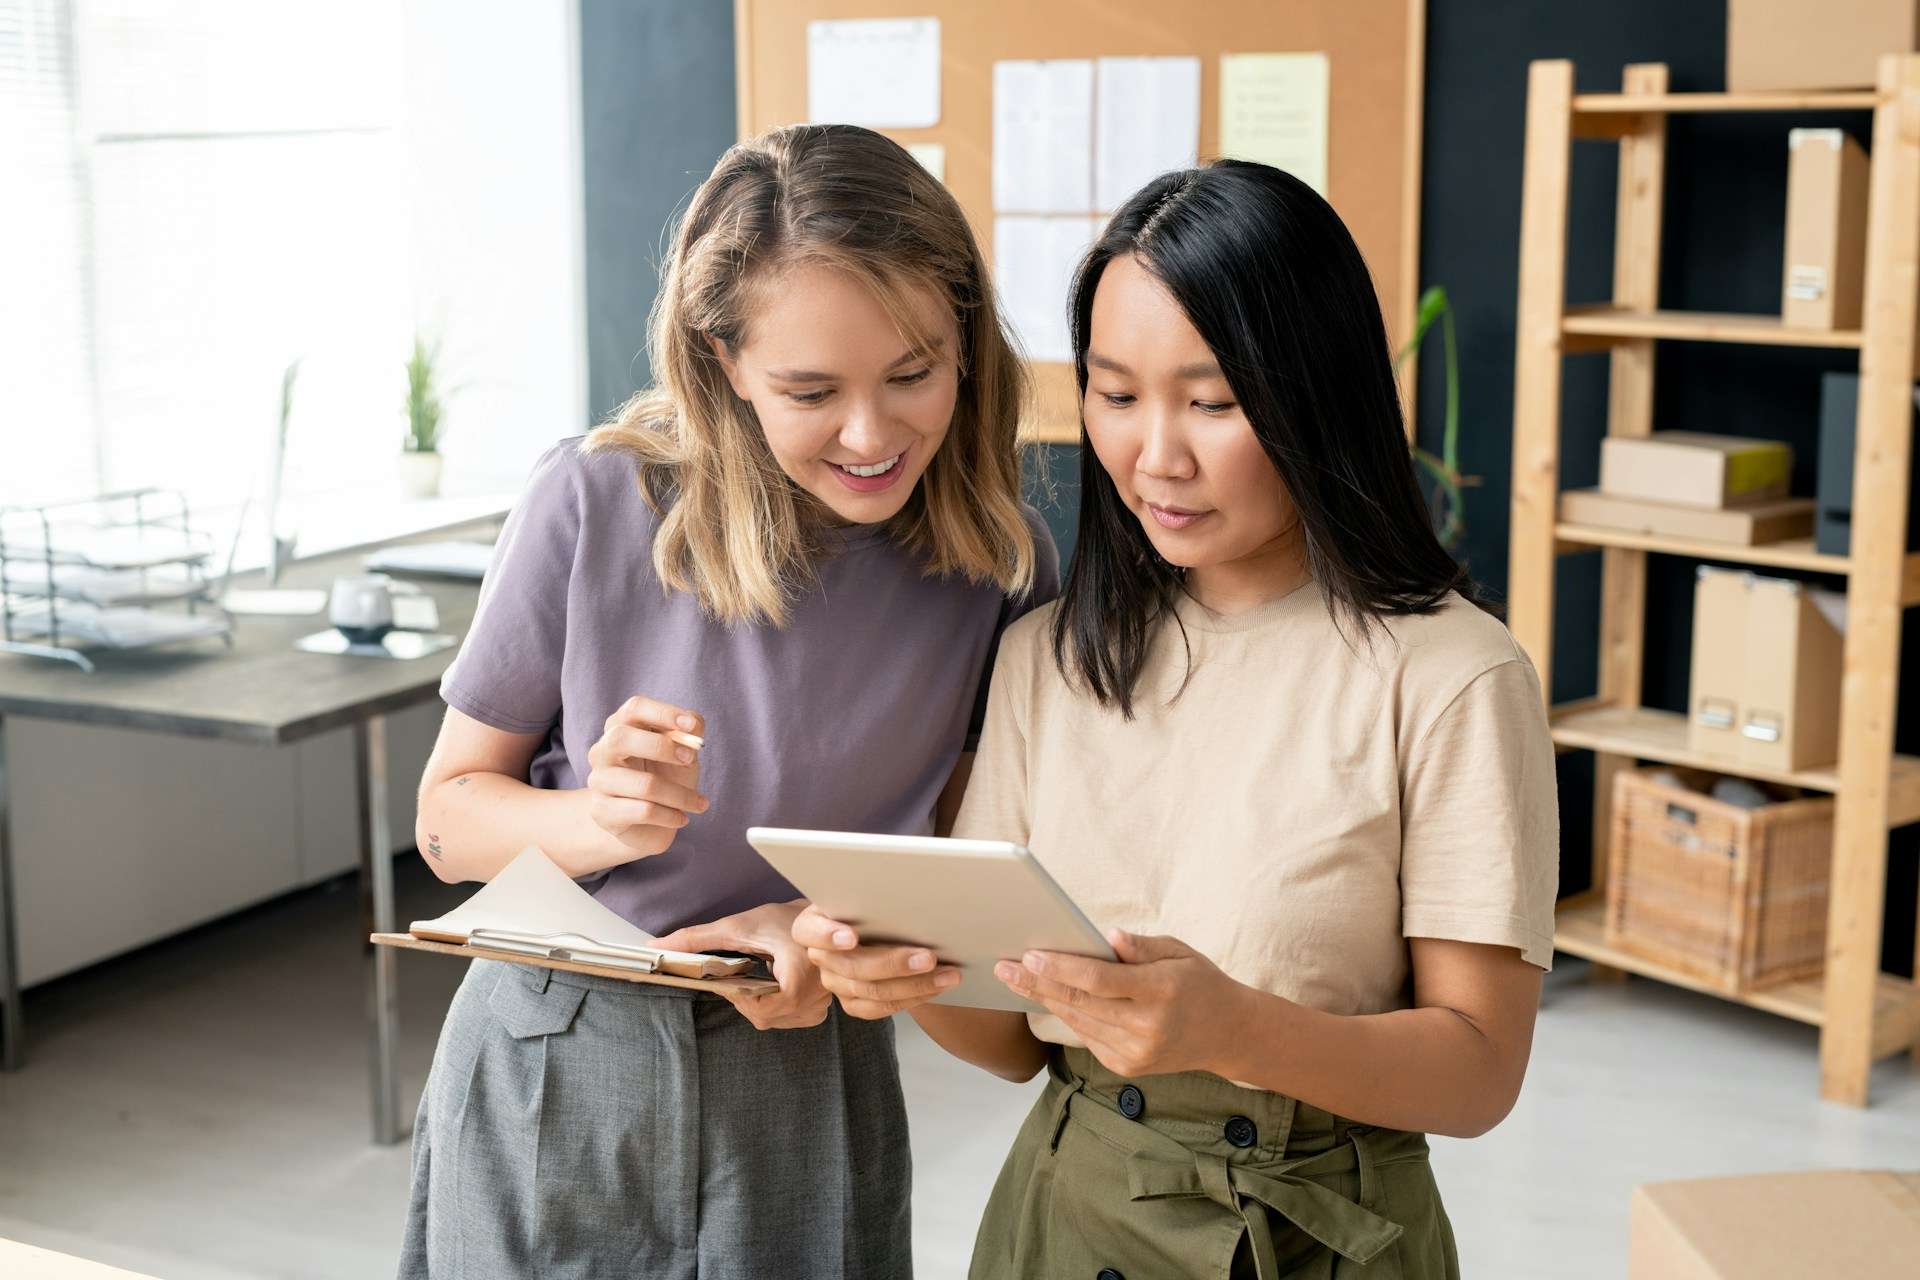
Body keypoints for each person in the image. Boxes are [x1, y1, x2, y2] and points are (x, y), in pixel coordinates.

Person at [798, 160, 1558, 1279]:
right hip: (1064, 1217)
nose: (1156, 454)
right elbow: (1012, 1044)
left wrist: (1234, 1028)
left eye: (1212, 402)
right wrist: (903, 973)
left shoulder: (1453, 675)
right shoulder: (1044, 655)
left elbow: (1479, 1072)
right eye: (1115, 393)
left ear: (1315, 392)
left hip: (1315, 1233)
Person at [398, 123, 1058, 1278]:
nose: (870, 432)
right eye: (810, 390)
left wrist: (819, 929)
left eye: (914, 373)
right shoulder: (596, 498)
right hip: (556, 1058)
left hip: (803, 1071)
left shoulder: (1000, 572)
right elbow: (449, 821)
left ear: (967, 341)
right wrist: (595, 820)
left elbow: (956, 874)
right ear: (719, 362)